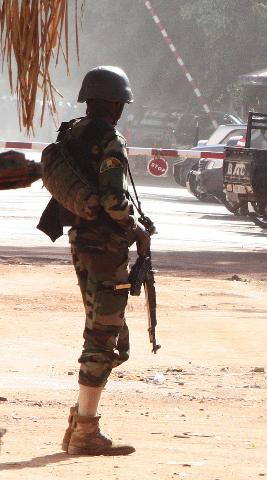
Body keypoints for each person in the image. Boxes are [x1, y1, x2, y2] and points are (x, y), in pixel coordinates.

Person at [51, 66, 149, 455]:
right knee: (103, 336)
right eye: (121, 103)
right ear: (111, 102)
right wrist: (137, 227)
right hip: (106, 249)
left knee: (106, 334)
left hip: (80, 242)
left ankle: (79, 421)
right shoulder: (109, 139)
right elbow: (112, 199)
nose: (122, 110)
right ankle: (86, 432)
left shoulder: (71, 132)